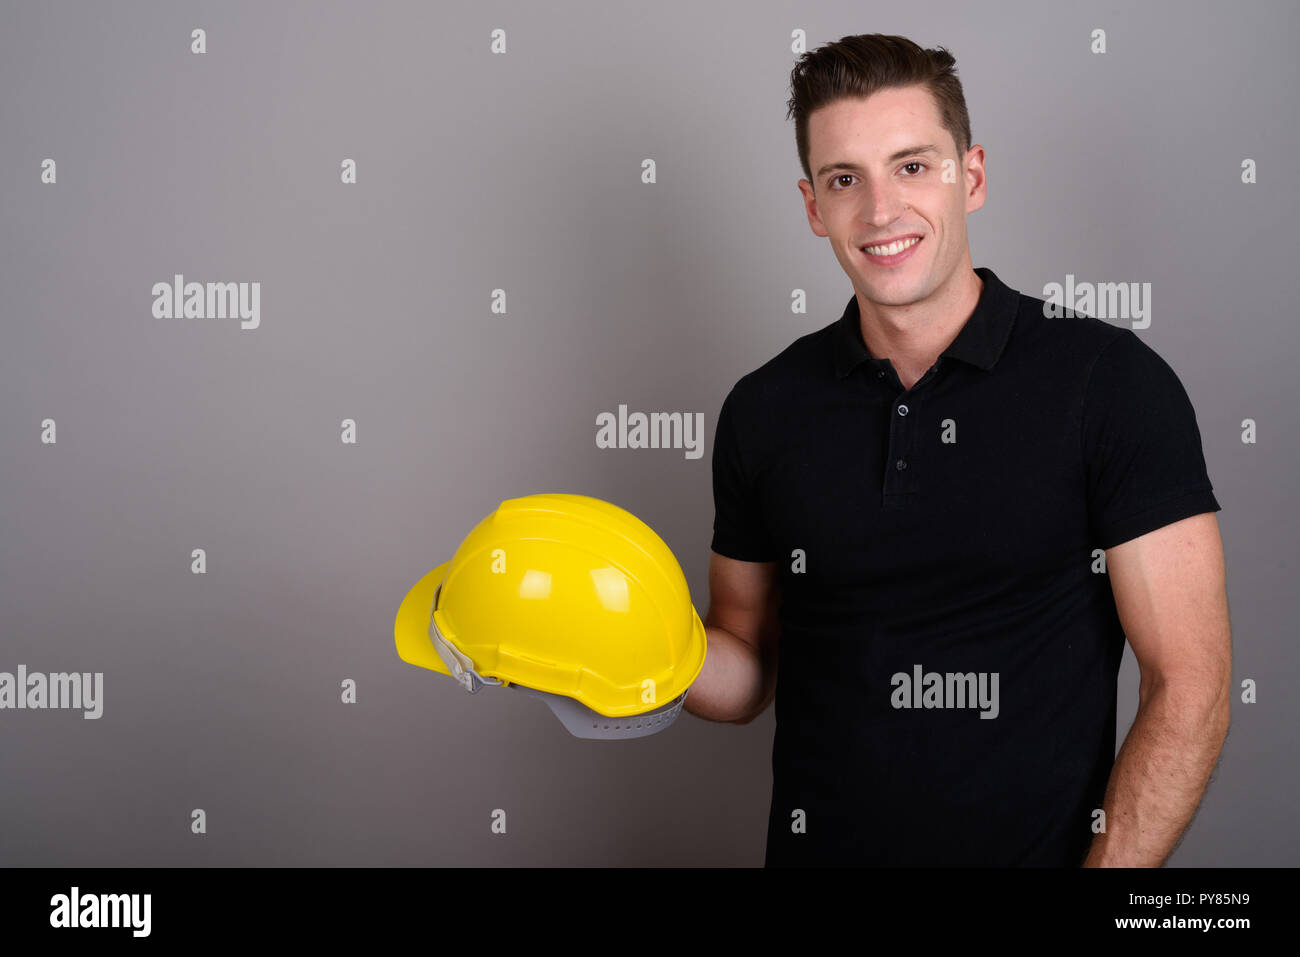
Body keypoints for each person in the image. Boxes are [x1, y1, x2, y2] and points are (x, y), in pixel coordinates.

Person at [684, 33, 1231, 867]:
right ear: (811, 206)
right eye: (844, 179)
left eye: (912, 166)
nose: (879, 211)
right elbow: (746, 669)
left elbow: (1190, 687)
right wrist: (615, 657)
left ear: (969, 176)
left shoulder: (1109, 382)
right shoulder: (764, 408)